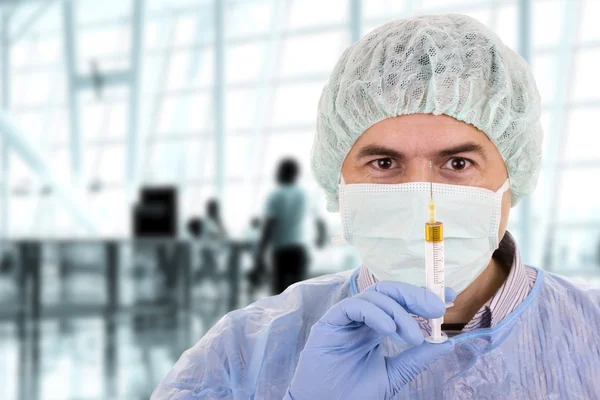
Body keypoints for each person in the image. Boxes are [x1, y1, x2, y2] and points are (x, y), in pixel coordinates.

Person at [151, 14, 600, 399]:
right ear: (338, 180)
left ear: (512, 178)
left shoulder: (592, 331)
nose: (424, 199)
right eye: (384, 162)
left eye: (458, 163)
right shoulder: (246, 348)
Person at [249, 158, 326, 295]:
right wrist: (320, 238)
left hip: (281, 252)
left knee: (279, 294)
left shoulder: (275, 196)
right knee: (298, 293)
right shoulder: (305, 195)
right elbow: (320, 222)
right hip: (299, 250)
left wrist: (259, 254)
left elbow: (268, 227)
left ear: (281, 173)